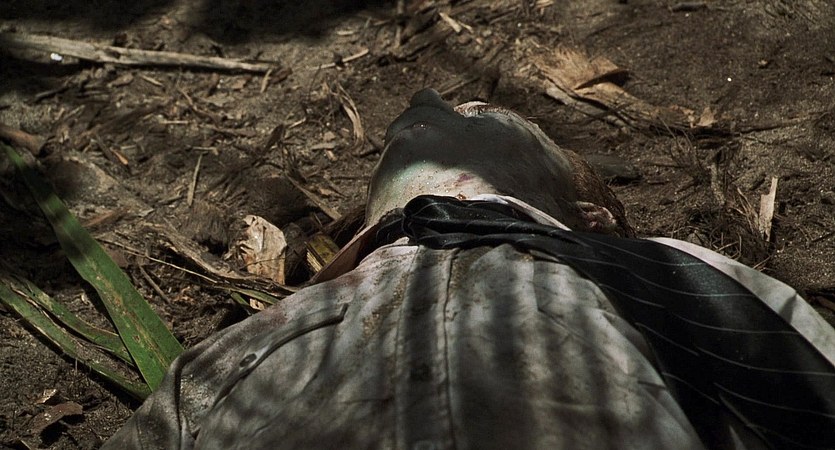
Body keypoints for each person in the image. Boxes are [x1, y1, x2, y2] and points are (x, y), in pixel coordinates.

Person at [104, 89, 835, 450]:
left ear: (591, 214)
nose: (419, 101)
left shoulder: (668, 271)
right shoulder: (244, 344)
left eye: (474, 106)